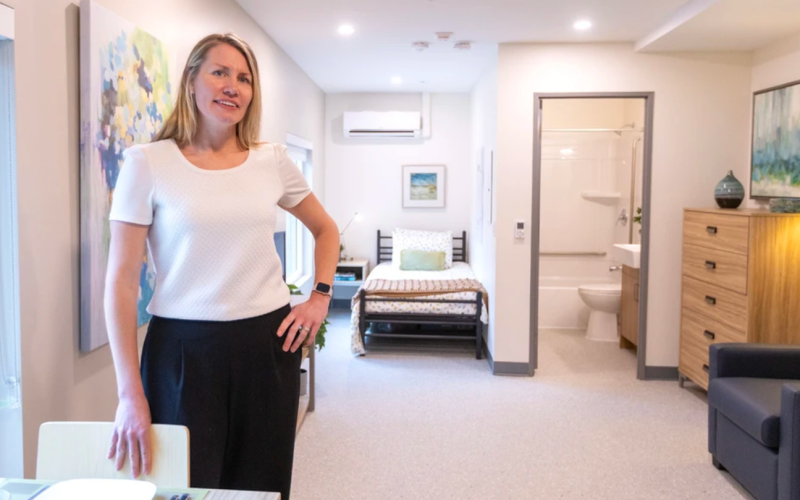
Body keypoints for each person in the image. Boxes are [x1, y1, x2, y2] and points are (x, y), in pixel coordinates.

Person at [103, 33, 338, 499]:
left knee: (261, 488)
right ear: (192, 80)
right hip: (183, 352)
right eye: (220, 72)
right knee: (184, 488)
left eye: (244, 78)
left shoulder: (271, 159)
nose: (233, 85)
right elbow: (122, 281)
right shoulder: (146, 163)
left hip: (268, 346)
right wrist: (129, 394)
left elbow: (327, 230)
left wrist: (319, 297)